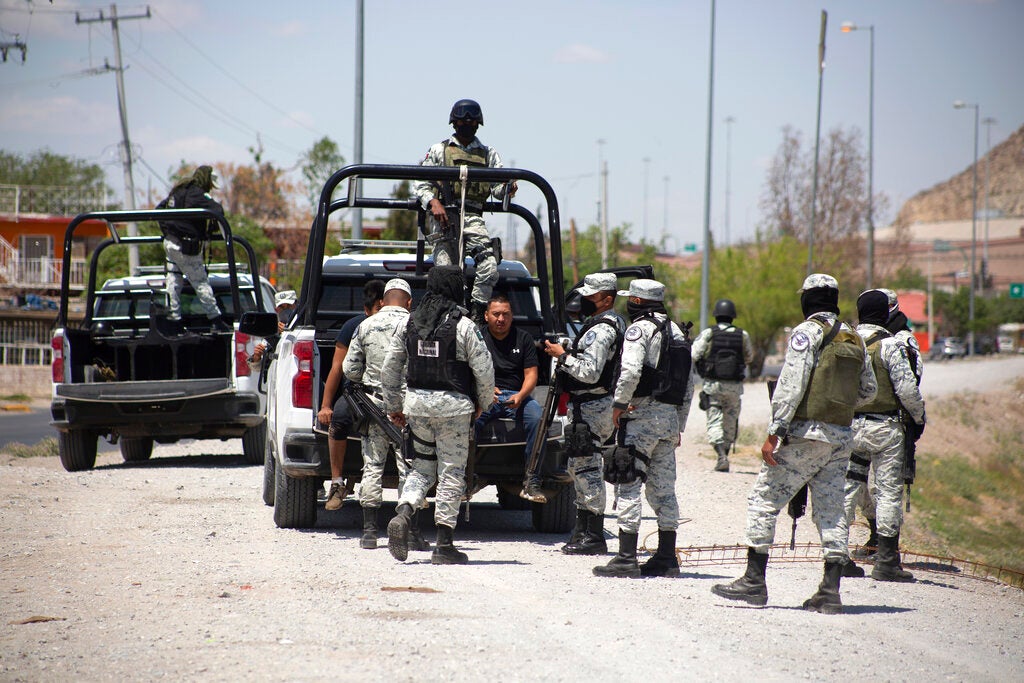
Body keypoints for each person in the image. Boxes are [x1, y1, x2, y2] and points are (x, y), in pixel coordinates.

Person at [711, 274, 876, 614]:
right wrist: (837, 408)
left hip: (805, 435)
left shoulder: (807, 332)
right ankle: (830, 592)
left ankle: (753, 582)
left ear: (808, 299)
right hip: (840, 436)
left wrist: (775, 433)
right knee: (831, 511)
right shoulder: (855, 337)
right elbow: (868, 391)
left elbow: (790, 386)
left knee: (763, 500)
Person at [381, 266, 494, 565]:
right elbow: (484, 371)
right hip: (454, 410)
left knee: (421, 468)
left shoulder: (408, 323)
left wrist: (394, 406)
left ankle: (404, 512)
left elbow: (390, 368)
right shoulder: (464, 326)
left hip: (417, 408)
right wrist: (483, 404)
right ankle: (444, 545)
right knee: (451, 473)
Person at [593, 279, 694, 579]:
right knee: (664, 489)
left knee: (628, 482)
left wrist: (618, 405)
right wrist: (679, 424)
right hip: (668, 421)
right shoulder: (677, 332)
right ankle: (666, 558)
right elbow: (688, 384)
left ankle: (626, 557)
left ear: (636, 302)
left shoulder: (639, 330)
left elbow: (631, 370)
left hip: (640, 418)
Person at [840, 290, 926, 582]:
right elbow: (907, 390)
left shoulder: (846, 341)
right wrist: (919, 417)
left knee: (848, 488)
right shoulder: (892, 345)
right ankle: (887, 562)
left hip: (850, 428)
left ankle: (837, 557)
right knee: (888, 492)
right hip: (886, 430)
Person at [343, 279, 429, 551]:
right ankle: (411, 532)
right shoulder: (417, 325)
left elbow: (350, 370)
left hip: (373, 406)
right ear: (409, 302)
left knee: (372, 465)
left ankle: (369, 533)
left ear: (382, 301)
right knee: (410, 469)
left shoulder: (365, 325)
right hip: (409, 409)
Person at [542, 272, 624, 555]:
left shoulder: (602, 330)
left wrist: (562, 356)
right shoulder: (609, 323)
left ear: (607, 299)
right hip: (590, 407)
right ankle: (583, 531)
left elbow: (590, 372)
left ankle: (593, 536)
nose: (585, 300)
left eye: (591, 296)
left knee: (588, 469)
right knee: (580, 467)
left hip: (592, 406)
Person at [413, 99, 516, 323]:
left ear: (478, 124)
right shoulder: (439, 150)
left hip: (473, 217)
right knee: (444, 273)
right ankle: (447, 318)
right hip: (445, 219)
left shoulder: (488, 154)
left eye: (471, 121)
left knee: (489, 266)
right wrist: (433, 202)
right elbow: (420, 183)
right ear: (454, 123)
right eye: (462, 121)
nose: (467, 125)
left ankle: (477, 314)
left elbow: (498, 189)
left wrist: (508, 188)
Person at [316, 280, 385, 511]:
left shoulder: (401, 326)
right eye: (377, 309)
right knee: (339, 418)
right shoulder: (354, 327)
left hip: (392, 393)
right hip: (357, 393)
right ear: (366, 310)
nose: (381, 315)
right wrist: (326, 405)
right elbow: (337, 368)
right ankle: (337, 484)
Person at [474, 293, 544, 499]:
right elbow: (467, 370)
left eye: (505, 314)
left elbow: (531, 374)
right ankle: (467, 477)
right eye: (496, 314)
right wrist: (484, 389)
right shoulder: (477, 338)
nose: (501, 319)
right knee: (469, 421)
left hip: (516, 395)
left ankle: (532, 480)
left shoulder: (523, 338)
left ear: (512, 316)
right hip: (486, 395)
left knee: (537, 418)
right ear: (486, 316)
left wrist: (521, 396)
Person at [156, 165, 231, 332]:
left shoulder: (178, 190)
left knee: (174, 279)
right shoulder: (197, 194)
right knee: (200, 281)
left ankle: (174, 319)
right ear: (206, 180)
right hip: (186, 247)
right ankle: (215, 319)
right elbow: (217, 210)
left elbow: (159, 210)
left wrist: (168, 231)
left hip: (170, 243)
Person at [691, 298, 754, 472]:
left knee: (714, 421)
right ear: (733, 316)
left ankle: (721, 456)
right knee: (730, 421)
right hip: (734, 386)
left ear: (716, 315)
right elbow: (749, 357)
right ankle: (725, 454)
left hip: (713, 385)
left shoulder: (709, 333)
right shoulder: (743, 335)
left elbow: (694, 354)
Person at [247, 290, 297, 369]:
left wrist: (290, 330)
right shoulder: (272, 333)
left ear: (296, 306)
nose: (286, 310)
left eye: (289, 306)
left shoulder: (304, 327)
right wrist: (257, 357)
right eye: (282, 307)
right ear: (276, 310)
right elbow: (258, 367)